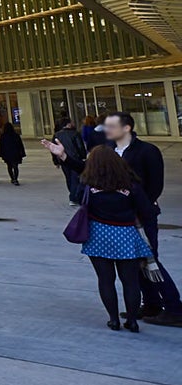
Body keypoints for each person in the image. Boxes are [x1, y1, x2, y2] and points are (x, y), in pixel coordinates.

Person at [52, 113, 182, 325]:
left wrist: (138, 207)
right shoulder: (110, 150)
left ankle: (175, 308)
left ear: (127, 128)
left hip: (140, 218)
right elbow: (90, 171)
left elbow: (155, 185)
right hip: (120, 220)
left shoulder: (147, 151)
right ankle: (151, 304)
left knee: (150, 262)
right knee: (133, 265)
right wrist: (65, 157)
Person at [74, 145, 157, 331]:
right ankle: (133, 320)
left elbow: (80, 201)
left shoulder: (88, 184)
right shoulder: (131, 184)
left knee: (105, 280)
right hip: (126, 234)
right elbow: (146, 210)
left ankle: (113, 319)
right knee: (130, 281)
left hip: (98, 235)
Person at [50, 115, 87, 206]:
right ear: (68, 124)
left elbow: (53, 149)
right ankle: (73, 197)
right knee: (75, 178)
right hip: (75, 159)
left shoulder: (57, 135)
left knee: (69, 178)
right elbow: (80, 147)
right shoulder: (75, 133)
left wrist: (56, 161)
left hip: (63, 159)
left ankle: (72, 194)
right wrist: (83, 157)